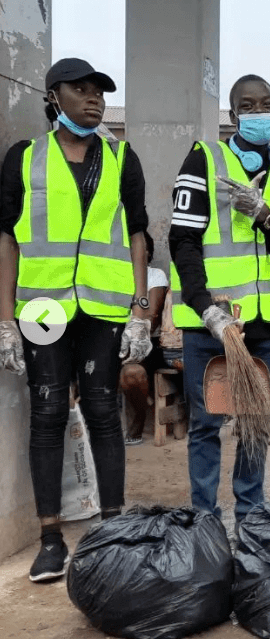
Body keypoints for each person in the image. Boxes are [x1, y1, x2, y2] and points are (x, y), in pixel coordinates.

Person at [0, 58, 151, 581]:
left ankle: (112, 528)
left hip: (104, 308)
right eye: (80, 90)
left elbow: (137, 235)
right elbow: (7, 238)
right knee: (47, 414)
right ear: (52, 96)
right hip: (42, 308)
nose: (94, 99)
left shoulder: (121, 157)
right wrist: (4, 320)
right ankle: (49, 539)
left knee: (104, 410)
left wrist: (140, 310)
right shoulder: (25, 158)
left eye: (100, 92)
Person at [169, 74, 270, 532]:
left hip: (263, 322)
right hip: (213, 321)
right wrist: (203, 306)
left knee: (253, 423)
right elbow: (182, 241)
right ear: (233, 116)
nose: (259, 111)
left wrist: (266, 215)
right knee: (206, 423)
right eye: (248, 105)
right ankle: (205, 520)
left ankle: (249, 517)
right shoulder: (204, 159)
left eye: (267, 103)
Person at [120, 231, 168, 445]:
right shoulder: (113, 275)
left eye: (141, 248)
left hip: (146, 344)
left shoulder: (155, 275)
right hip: (112, 342)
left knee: (133, 373)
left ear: (147, 253)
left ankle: (138, 422)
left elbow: (152, 318)